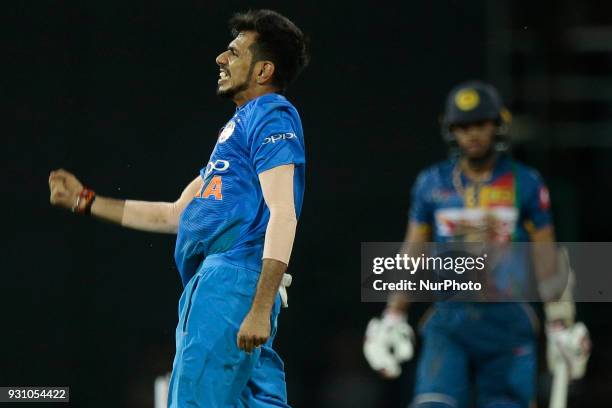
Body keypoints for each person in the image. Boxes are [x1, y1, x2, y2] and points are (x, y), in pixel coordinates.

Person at [49, 9, 309, 407]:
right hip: (232, 285)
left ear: (263, 71)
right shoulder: (236, 134)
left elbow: (283, 213)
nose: (221, 59)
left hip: (231, 285)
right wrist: (86, 202)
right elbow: (175, 214)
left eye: (235, 52)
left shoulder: (270, 113)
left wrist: (259, 302)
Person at [363, 81, 590, 408]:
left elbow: (546, 256)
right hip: (450, 320)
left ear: (497, 124)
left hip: (508, 320)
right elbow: (413, 252)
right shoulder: (432, 183)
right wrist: (393, 314)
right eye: (462, 126)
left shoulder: (525, 183)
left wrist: (560, 322)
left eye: (480, 124)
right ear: (450, 129)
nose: (472, 134)